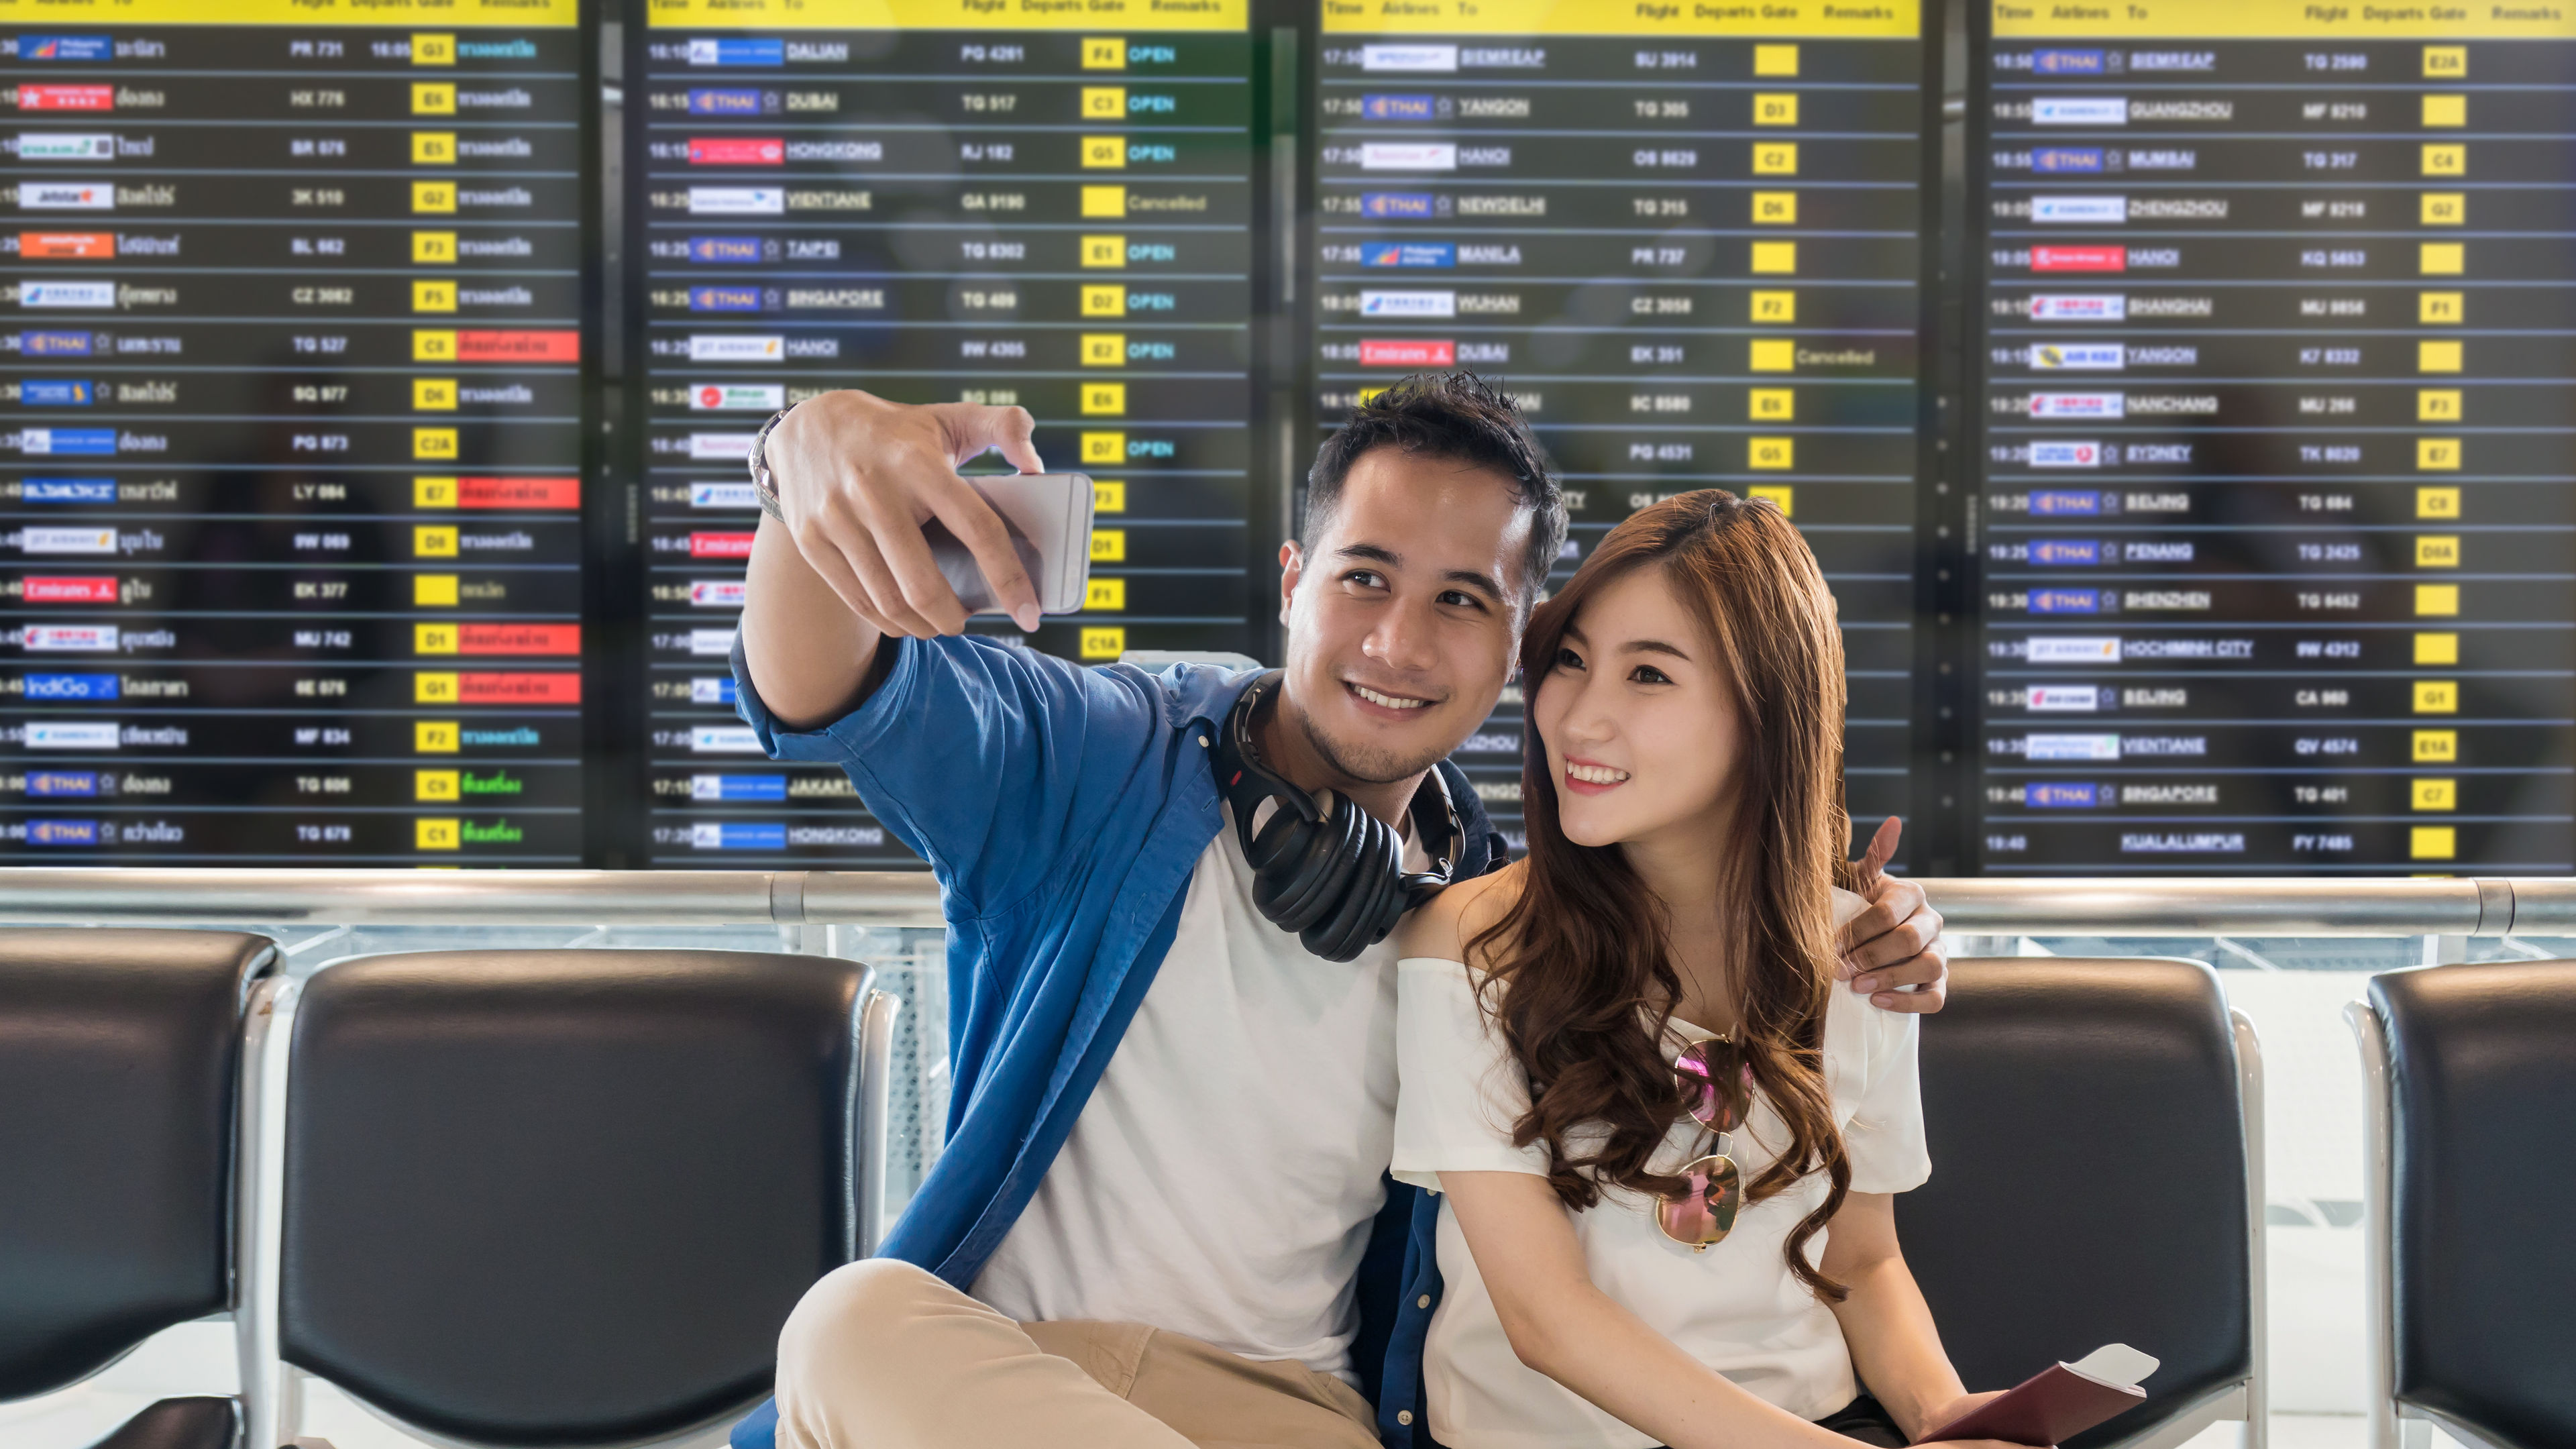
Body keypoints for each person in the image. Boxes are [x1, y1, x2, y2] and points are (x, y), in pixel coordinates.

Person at [730, 373, 1954, 1449]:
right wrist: (807, 456)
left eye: (1463, 602)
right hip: (1002, 1380)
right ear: (1294, 583)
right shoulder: (1103, 762)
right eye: (1364, 578)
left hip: (1294, 1414)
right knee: (848, 1322)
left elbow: (1734, 911)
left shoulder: (1503, 914)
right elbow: (823, 684)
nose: (1398, 641)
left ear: (1519, 643)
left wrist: (1878, 924)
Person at [1393, 491, 2013, 1449]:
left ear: (1766, 713)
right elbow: (1545, 1320)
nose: (1581, 719)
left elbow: (1866, 1261)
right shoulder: (1472, 946)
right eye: (1570, 661)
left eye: (1648, 675)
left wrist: (1951, 1419)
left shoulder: (1865, 951)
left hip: (1817, 1421)